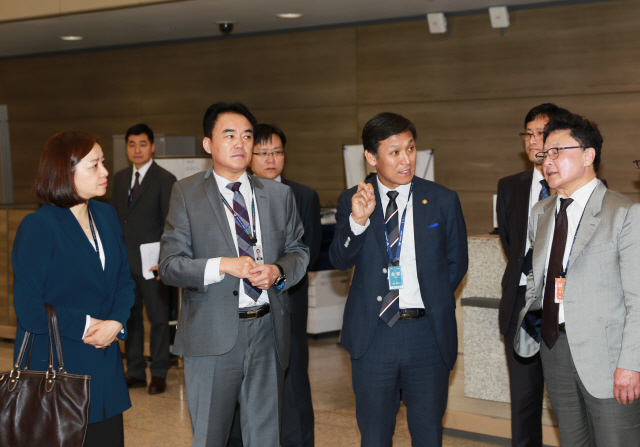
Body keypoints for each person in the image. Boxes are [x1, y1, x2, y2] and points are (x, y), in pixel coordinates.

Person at [159, 102, 310, 447]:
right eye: (229, 135)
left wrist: (277, 272)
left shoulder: (278, 195)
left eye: (246, 135)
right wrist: (222, 265)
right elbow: (169, 265)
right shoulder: (186, 193)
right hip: (211, 336)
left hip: (268, 331)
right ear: (208, 144)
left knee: (265, 437)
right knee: (211, 436)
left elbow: (299, 252)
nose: (241, 143)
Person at [328, 112, 468, 446]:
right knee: (375, 436)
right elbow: (338, 259)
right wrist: (358, 223)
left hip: (427, 335)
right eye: (394, 152)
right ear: (371, 157)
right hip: (374, 335)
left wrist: (428, 297)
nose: (406, 160)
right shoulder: (353, 199)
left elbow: (456, 263)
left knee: (428, 435)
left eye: (410, 148)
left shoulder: (442, 200)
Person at [515, 113, 640, 446]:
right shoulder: (541, 213)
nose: (547, 160)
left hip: (609, 357)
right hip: (555, 348)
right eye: (545, 153)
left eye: (558, 151)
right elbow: (534, 273)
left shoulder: (624, 213)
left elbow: (638, 300)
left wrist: (631, 364)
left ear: (588, 155)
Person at [12, 131, 135, 447]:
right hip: (58, 373)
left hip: (105, 371)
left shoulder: (105, 216)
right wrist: (88, 324)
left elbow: (123, 280)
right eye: (94, 165)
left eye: (103, 163)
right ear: (65, 173)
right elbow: (29, 310)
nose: (105, 171)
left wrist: (117, 322)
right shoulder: (39, 227)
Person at [228, 123, 321, 447]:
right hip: (242, 311)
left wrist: (275, 273)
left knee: (294, 386)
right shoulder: (233, 196)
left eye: (277, 152)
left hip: (288, 303)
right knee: (245, 389)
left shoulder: (302, 195)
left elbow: (306, 252)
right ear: (249, 156)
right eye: (262, 152)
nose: (270, 159)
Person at [496, 103, 569, 447]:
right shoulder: (510, 186)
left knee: (568, 406)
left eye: (541, 132)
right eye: (528, 133)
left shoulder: (574, 185)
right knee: (523, 405)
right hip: (520, 309)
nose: (533, 140)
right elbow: (512, 247)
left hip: (563, 311)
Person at [111, 123, 176, 394]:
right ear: (126, 148)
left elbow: (170, 224)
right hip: (125, 262)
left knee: (159, 318)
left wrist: (165, 260)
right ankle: (135, 370)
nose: (137, 150)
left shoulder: (165, 178)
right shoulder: (120, 177)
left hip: (153, 263)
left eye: (142, 144)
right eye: (131, 145)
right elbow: (116, 219)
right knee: (130, 318)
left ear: (152, 147)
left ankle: (159, 372)